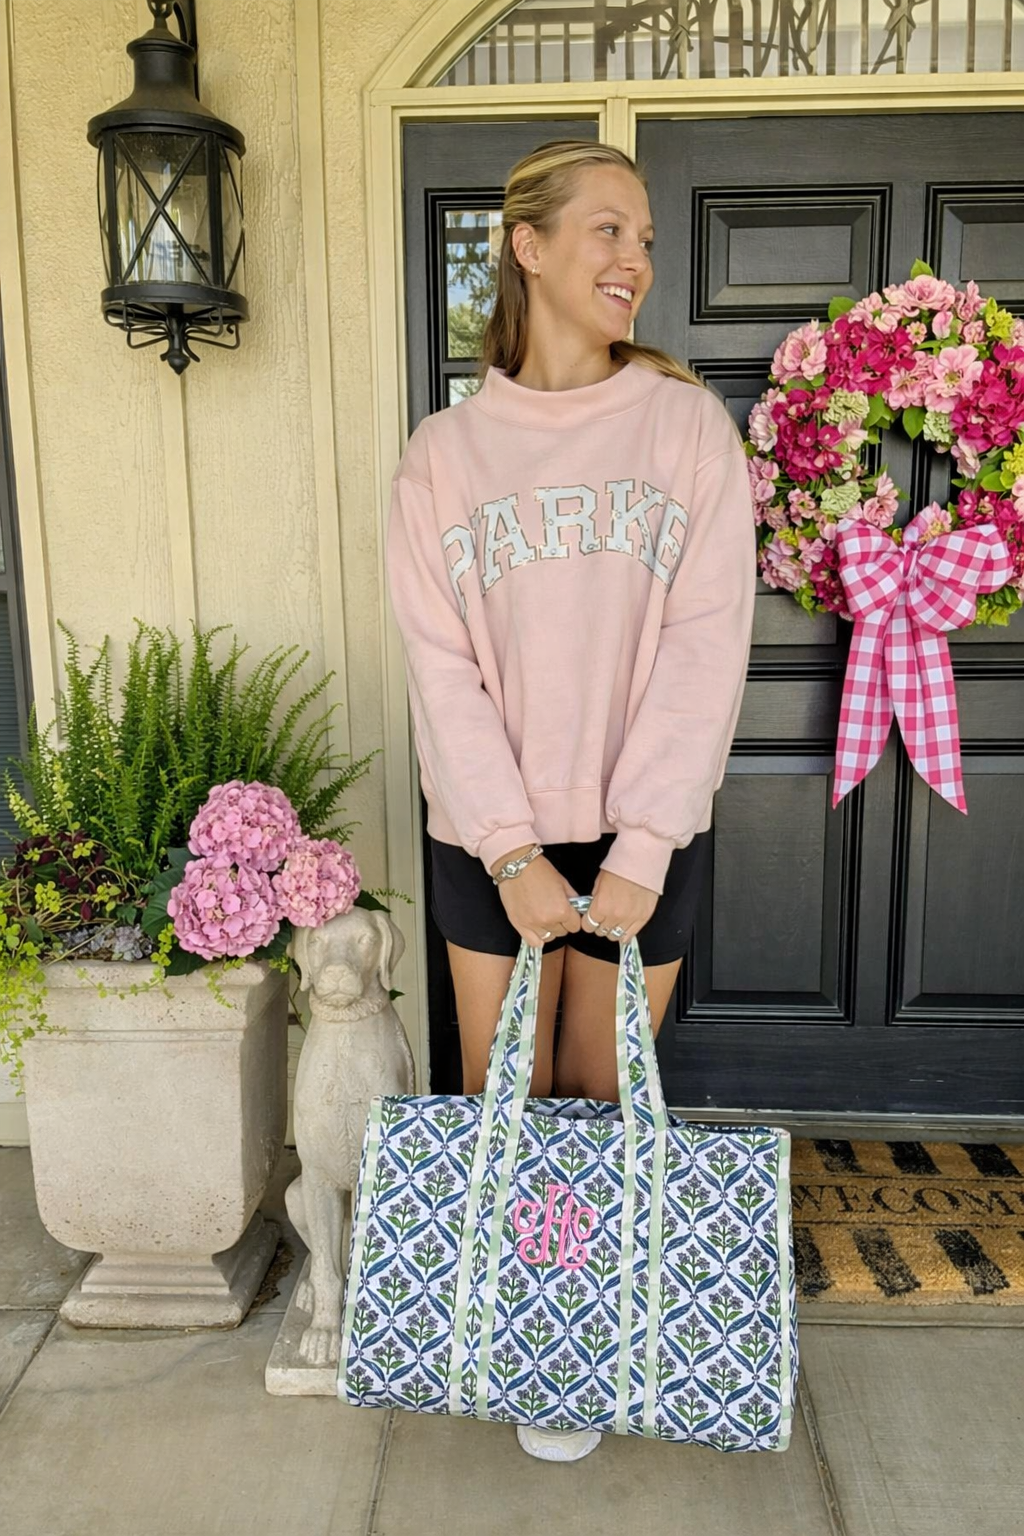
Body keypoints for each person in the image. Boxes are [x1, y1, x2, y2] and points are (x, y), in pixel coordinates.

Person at [384, 139, 756, 1462]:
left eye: (644, 237)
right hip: (490, 833)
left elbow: (708, 645)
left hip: (641, 833)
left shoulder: (685, 430)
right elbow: (438, 670)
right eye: (608, 229)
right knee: (506, 1092)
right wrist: (508, 850)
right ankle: (515, 1338)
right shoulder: (445, 454)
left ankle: (582, 1352)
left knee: (599, 1095)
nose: (635, 258)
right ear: (528, 246)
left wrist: (643, 843)